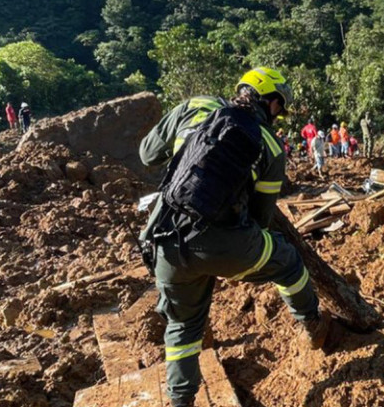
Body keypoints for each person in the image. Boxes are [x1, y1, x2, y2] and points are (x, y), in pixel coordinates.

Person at [137, 67, 332, 407]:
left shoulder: (193, 105)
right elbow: (260, 218)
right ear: (268, 101)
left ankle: (180, 401)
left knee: (183, 327)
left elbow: (147, 154)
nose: (278, 114)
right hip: (226, 245)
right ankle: (312, 324)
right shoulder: (270, 144)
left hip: (164, 238)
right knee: (288, 263)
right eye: (277, 106)